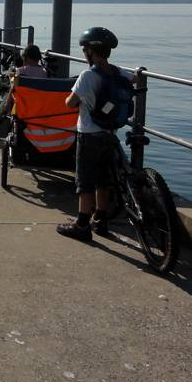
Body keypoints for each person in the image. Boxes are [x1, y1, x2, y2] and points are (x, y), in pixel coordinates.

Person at [56, 27, 133, 241]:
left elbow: (70, 102)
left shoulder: (88, 75)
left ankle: (82, 224)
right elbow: (133, 80)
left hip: (89, 133)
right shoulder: (117, 72)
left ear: (91, 52)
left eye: (85, 50)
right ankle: (100, 219)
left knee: (85, 180)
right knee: (104, 178)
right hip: (109, 132)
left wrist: (75, 98)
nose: (84, 53)